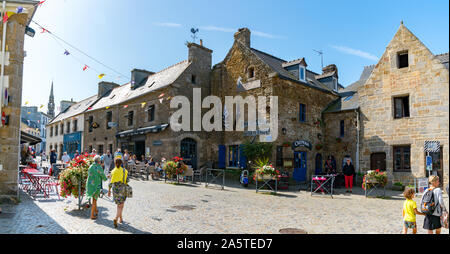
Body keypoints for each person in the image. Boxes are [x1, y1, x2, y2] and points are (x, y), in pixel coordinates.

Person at [108, 158, 129, 228]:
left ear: (115, 163)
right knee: (121, 204)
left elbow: (110, 182)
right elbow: (127, 180)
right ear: (121, 163)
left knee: (119, 205)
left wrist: (109, 191)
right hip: (122, 189)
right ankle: (116, 218)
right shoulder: (125, 171)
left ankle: (121, 218)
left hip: (115, 189)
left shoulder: (113, 171)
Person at [86, 155, 108, 220]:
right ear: (99, 161)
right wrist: (107, 177)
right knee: (94, 200)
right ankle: (92, 215)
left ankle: (96, 211)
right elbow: (103, 176)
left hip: (89, 185)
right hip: (96, 185)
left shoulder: (91, 166)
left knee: (94, 198)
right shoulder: (99, 167)